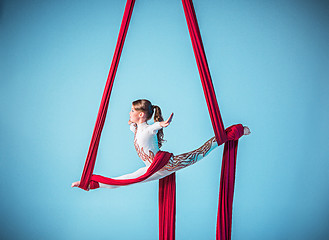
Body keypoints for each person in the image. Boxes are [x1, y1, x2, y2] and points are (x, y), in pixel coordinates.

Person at [72, 99, 251, 189]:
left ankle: (236, 131)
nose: (130, 112)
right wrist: (132, 124)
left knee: (201, 152)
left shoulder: (149, 129)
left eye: (132, 110)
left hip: (165, 165)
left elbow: (154, 128)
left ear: (142, 114)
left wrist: (162, 124)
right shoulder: (137, 129)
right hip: (150, 168)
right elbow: (135, 129)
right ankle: (90, 183)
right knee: (126, 179)